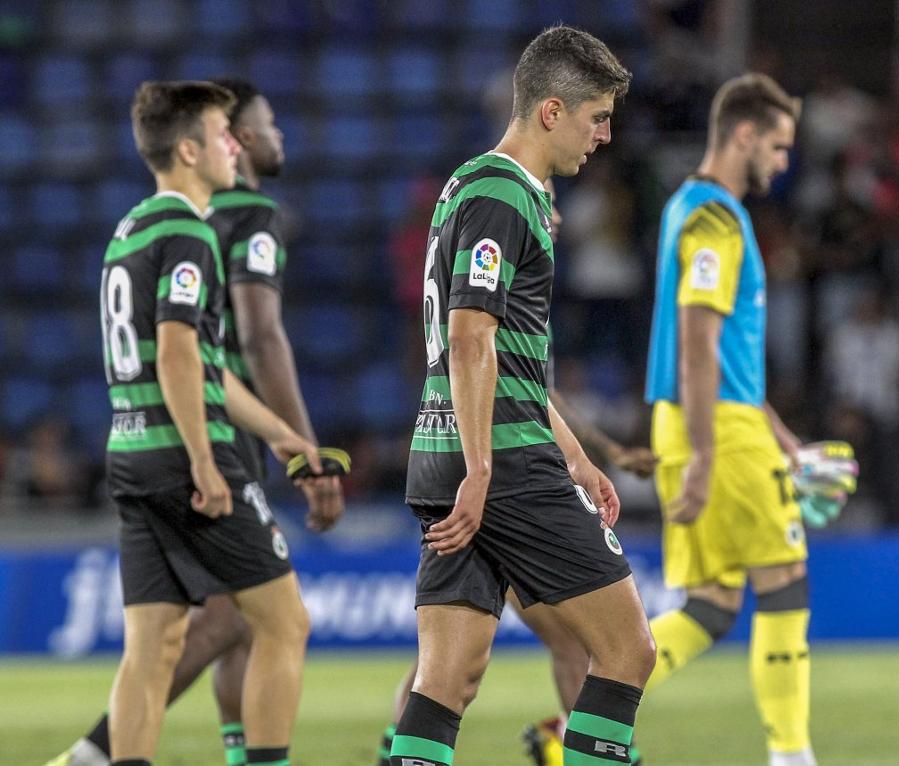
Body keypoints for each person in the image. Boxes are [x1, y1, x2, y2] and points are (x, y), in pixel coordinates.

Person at [47, 78, 343, 766]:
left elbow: (204, 362)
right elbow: (180, 354)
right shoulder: (189, 231)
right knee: (284, 622)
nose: (234, 145)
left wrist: (280, 434)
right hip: (188, 457)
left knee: (152, 650)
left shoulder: (131, 229)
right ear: (188, 150)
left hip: (131, 453)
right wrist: (207, 463)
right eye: (221, 134)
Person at [393, 26, 655, 766]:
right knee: (628, 651)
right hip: (498, 462)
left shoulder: (469, 185)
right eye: (596, 117)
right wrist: (484, 469)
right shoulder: (507, 195)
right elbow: (471, 334)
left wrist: (576, 458)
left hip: (448, 450)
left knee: (448, 676)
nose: (603, 137)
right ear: (550, 111)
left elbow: (507, 358)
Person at [643, 73, 818, 766]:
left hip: (707, 418)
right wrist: (710, 454)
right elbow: (698, 337)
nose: (782, 162)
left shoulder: (682, 206)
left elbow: (722, 356)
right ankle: (792, 754)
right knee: (785, 579)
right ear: (743, 136)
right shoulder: (717, 217)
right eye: (776, 147)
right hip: (714, 428)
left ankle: (570, 731)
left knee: (711, 608)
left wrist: (779, 433)